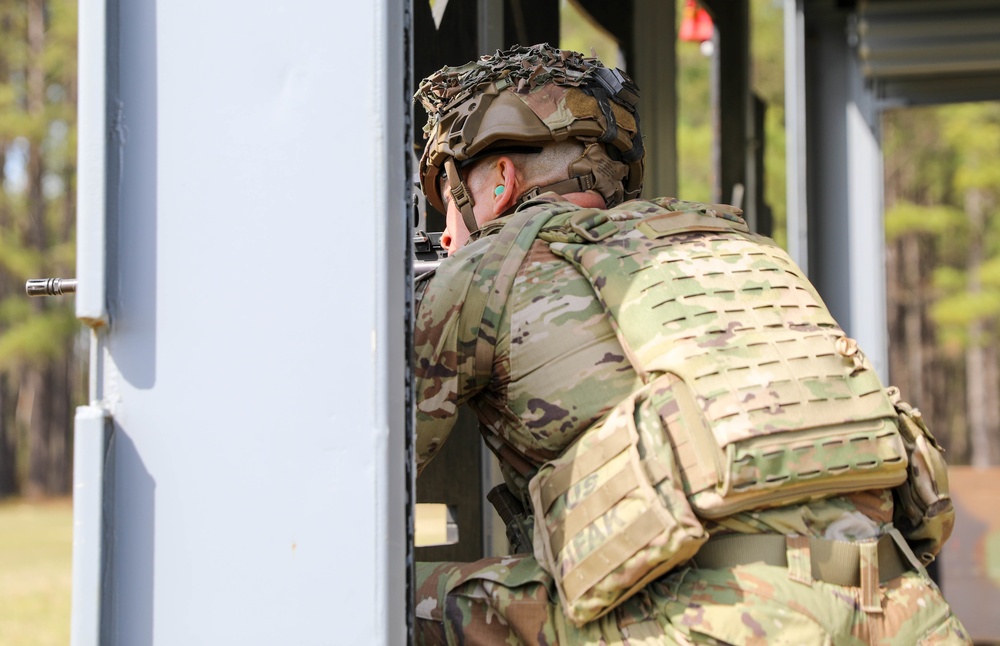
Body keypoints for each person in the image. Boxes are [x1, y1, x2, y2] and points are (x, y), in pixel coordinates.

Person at [412, 43, 969, 645]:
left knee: (408, 598)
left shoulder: (485, 270)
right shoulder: (734, 245)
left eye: (449, 199)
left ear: (499, 183)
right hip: (904, 612)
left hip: (718, 622)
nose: (445, 236)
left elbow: (356, 462)